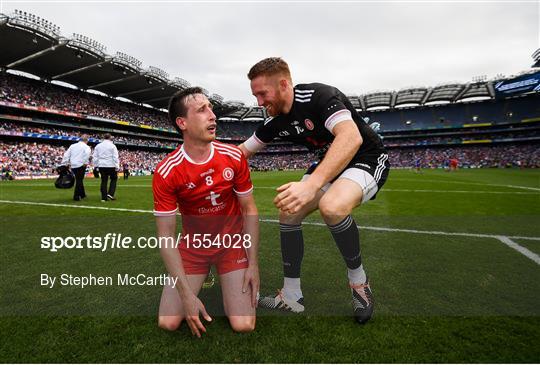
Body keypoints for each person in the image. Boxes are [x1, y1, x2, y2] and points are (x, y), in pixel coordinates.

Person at [238, 57, 389, 324]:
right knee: (288, 212)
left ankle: (359, 283)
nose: (259, 102)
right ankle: (291, 296)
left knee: (332, 207)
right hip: (330, 163)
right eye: (255, 96)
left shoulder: (319, 96)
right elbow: (240, 153)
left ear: (284, 84)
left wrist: (310, 184)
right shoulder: (275, 121)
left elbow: (350, 137)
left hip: (366, 156)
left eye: (263, 93)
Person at [153, 87, 259, 337]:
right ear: (183, 123)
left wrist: (253, 264)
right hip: (193, 247)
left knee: (243, 325)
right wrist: (186, 295)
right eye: (202, 110)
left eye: (211, 108)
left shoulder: (233, 156)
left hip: (231, 244)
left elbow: (249, 209)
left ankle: (227, 277)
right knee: (167, 322)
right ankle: (200, 279)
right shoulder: (167, 171)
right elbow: (166, 236)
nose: (212, 115)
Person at [61, 134, 91, 201]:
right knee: (79, 180)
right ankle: (76, 196)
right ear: (87, 140)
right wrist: (85, 163)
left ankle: (82, 194)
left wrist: (64, 163)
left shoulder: (73, 146)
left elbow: (66, 155)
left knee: (79, 179)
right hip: (81, 165)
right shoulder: (86, 147)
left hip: (73, 165)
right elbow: (87, 155)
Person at [93, 133, 120, 202]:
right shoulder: (112, 146)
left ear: (103, 138)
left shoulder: (98, 146)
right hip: (111, 165)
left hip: (102, 165)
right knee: (114, 179)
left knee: (104, 181)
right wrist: (117, 166)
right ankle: (110, 193)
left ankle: (103, 198)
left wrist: (96, 165)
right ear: (110, 138)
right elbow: (115, 157)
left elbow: (95, 157)